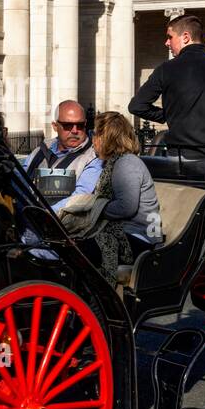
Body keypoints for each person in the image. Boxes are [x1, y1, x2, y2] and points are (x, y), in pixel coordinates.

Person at [57, 111, 161, 283]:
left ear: (107, 137)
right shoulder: (112, 163)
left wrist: (92, 208)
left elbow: (126, 207)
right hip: (122, 233)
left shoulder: (127, 163)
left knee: (80, 251)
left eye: (95, 134)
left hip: (138, 237)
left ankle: (89, 305)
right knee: (69, 247)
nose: (92, 140)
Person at [129, 13, 205, 160]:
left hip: (182, 157)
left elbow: (136, 106)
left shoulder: (166, 69)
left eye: (170, 37)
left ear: (185, 37)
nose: (166, 43)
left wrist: (167, 115)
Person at [24, 99, 102, 203]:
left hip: (56, 217)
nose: (74, 131)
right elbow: (21, 180)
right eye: (68, 125)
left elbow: (79, 198)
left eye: (80, 125)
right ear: (55, 126)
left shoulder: (93, 157)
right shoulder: (40, 150)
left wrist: (44, 214)